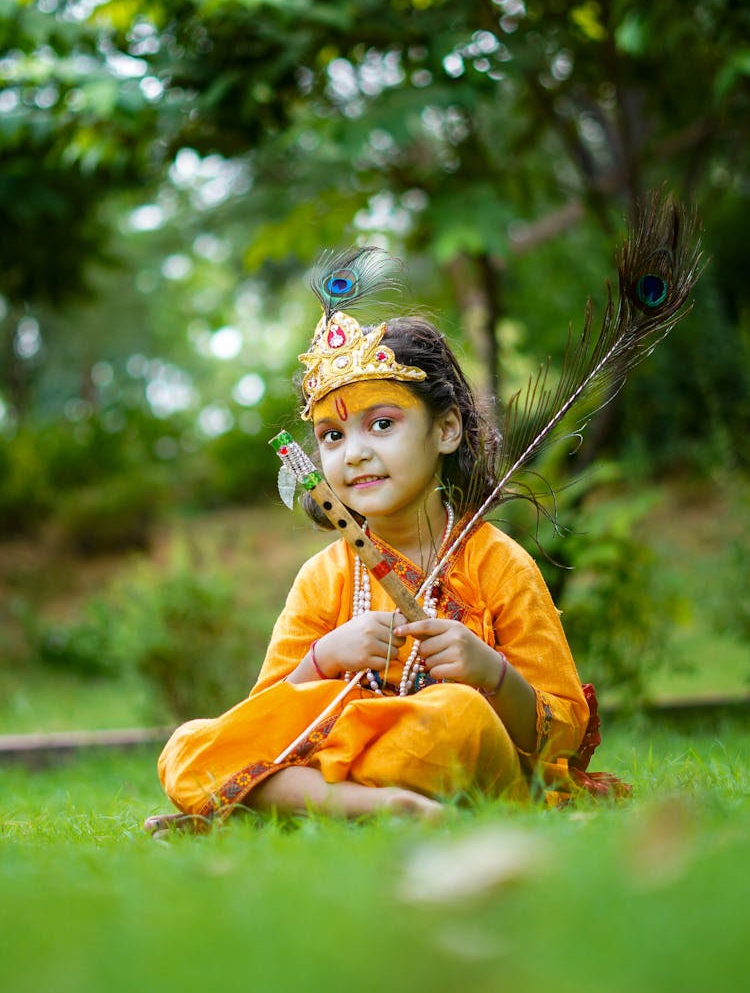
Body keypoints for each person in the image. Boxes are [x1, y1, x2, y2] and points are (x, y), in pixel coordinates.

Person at [145, 276, 595, 835]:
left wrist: (490, 672)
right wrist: (324, 659)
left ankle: (280, 805)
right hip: (342, 744)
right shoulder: (323, 576)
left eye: (382, 424)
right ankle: (386, 807)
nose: (355, 454)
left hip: (446, 750)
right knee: (188, 745)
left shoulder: (497, 563)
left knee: (459, 715)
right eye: (332, 436)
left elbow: (565, 731)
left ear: (447, 428)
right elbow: (265, 716)